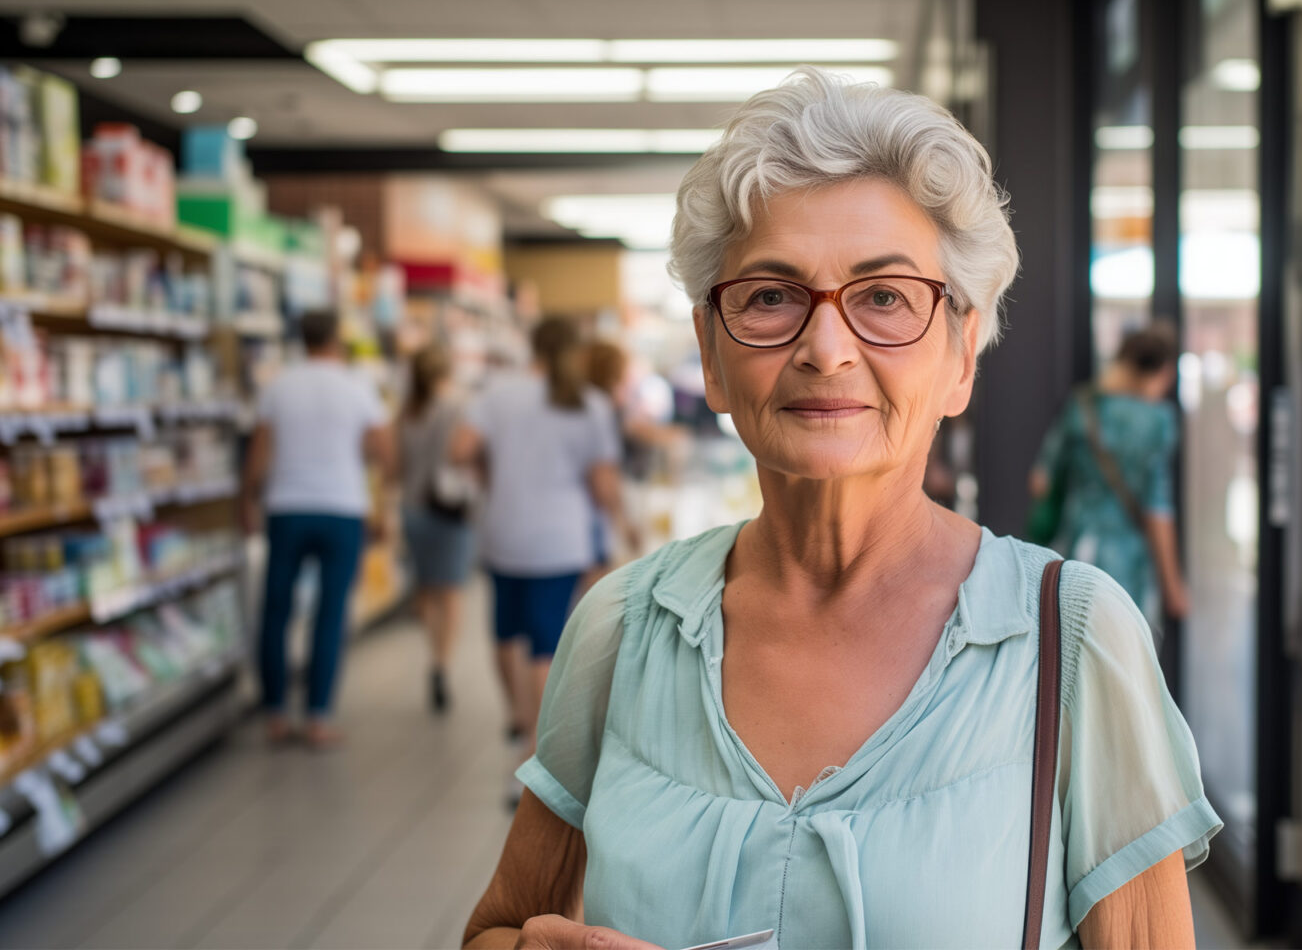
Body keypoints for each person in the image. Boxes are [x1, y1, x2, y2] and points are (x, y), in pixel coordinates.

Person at [465, 68, 1219, 950]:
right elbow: (497, 929)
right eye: (772, 296)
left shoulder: (1071, 638)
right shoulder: (624, 627)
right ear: (712, 353)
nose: (826, 349)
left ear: (961, 355)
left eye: (885, 298)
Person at [453, 318, 625, 765]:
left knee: (506, 632)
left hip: (503, 529)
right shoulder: (589, 404)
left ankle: (516, 717)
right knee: (546, 641)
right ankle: (535, 741)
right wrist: (622, 523)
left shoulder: (497, 394)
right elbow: (602, 482)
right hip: (561, 538)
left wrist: (491, 473)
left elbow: (459, 450)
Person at [244, 310, 391, 750]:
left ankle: (274, 712)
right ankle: (317, 717)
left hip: (287, 507)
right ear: (338, 338)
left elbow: (259, 453)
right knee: (331, 614)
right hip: (342, 509)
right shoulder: (358, 386)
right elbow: (383, 450)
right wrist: (382, 502)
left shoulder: (279, 386)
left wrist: (247, 500)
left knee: (276, 610)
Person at [1029, 327, 1190, 629]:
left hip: (1071, 556)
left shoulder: (1082, 407)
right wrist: (1173, 586)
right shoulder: (1157, 423)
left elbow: (1040, 481)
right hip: (1127, 569)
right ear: (1163, 372)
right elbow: (1158, 511)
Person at [397, 344, 475, 714]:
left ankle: (433, 649)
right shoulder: (458, 406)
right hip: (450, 509)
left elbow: (394, 464)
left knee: (427, 588)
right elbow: (464, 454)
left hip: (412, 509)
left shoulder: (406, 412)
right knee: (452, 591)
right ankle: (442, 664)